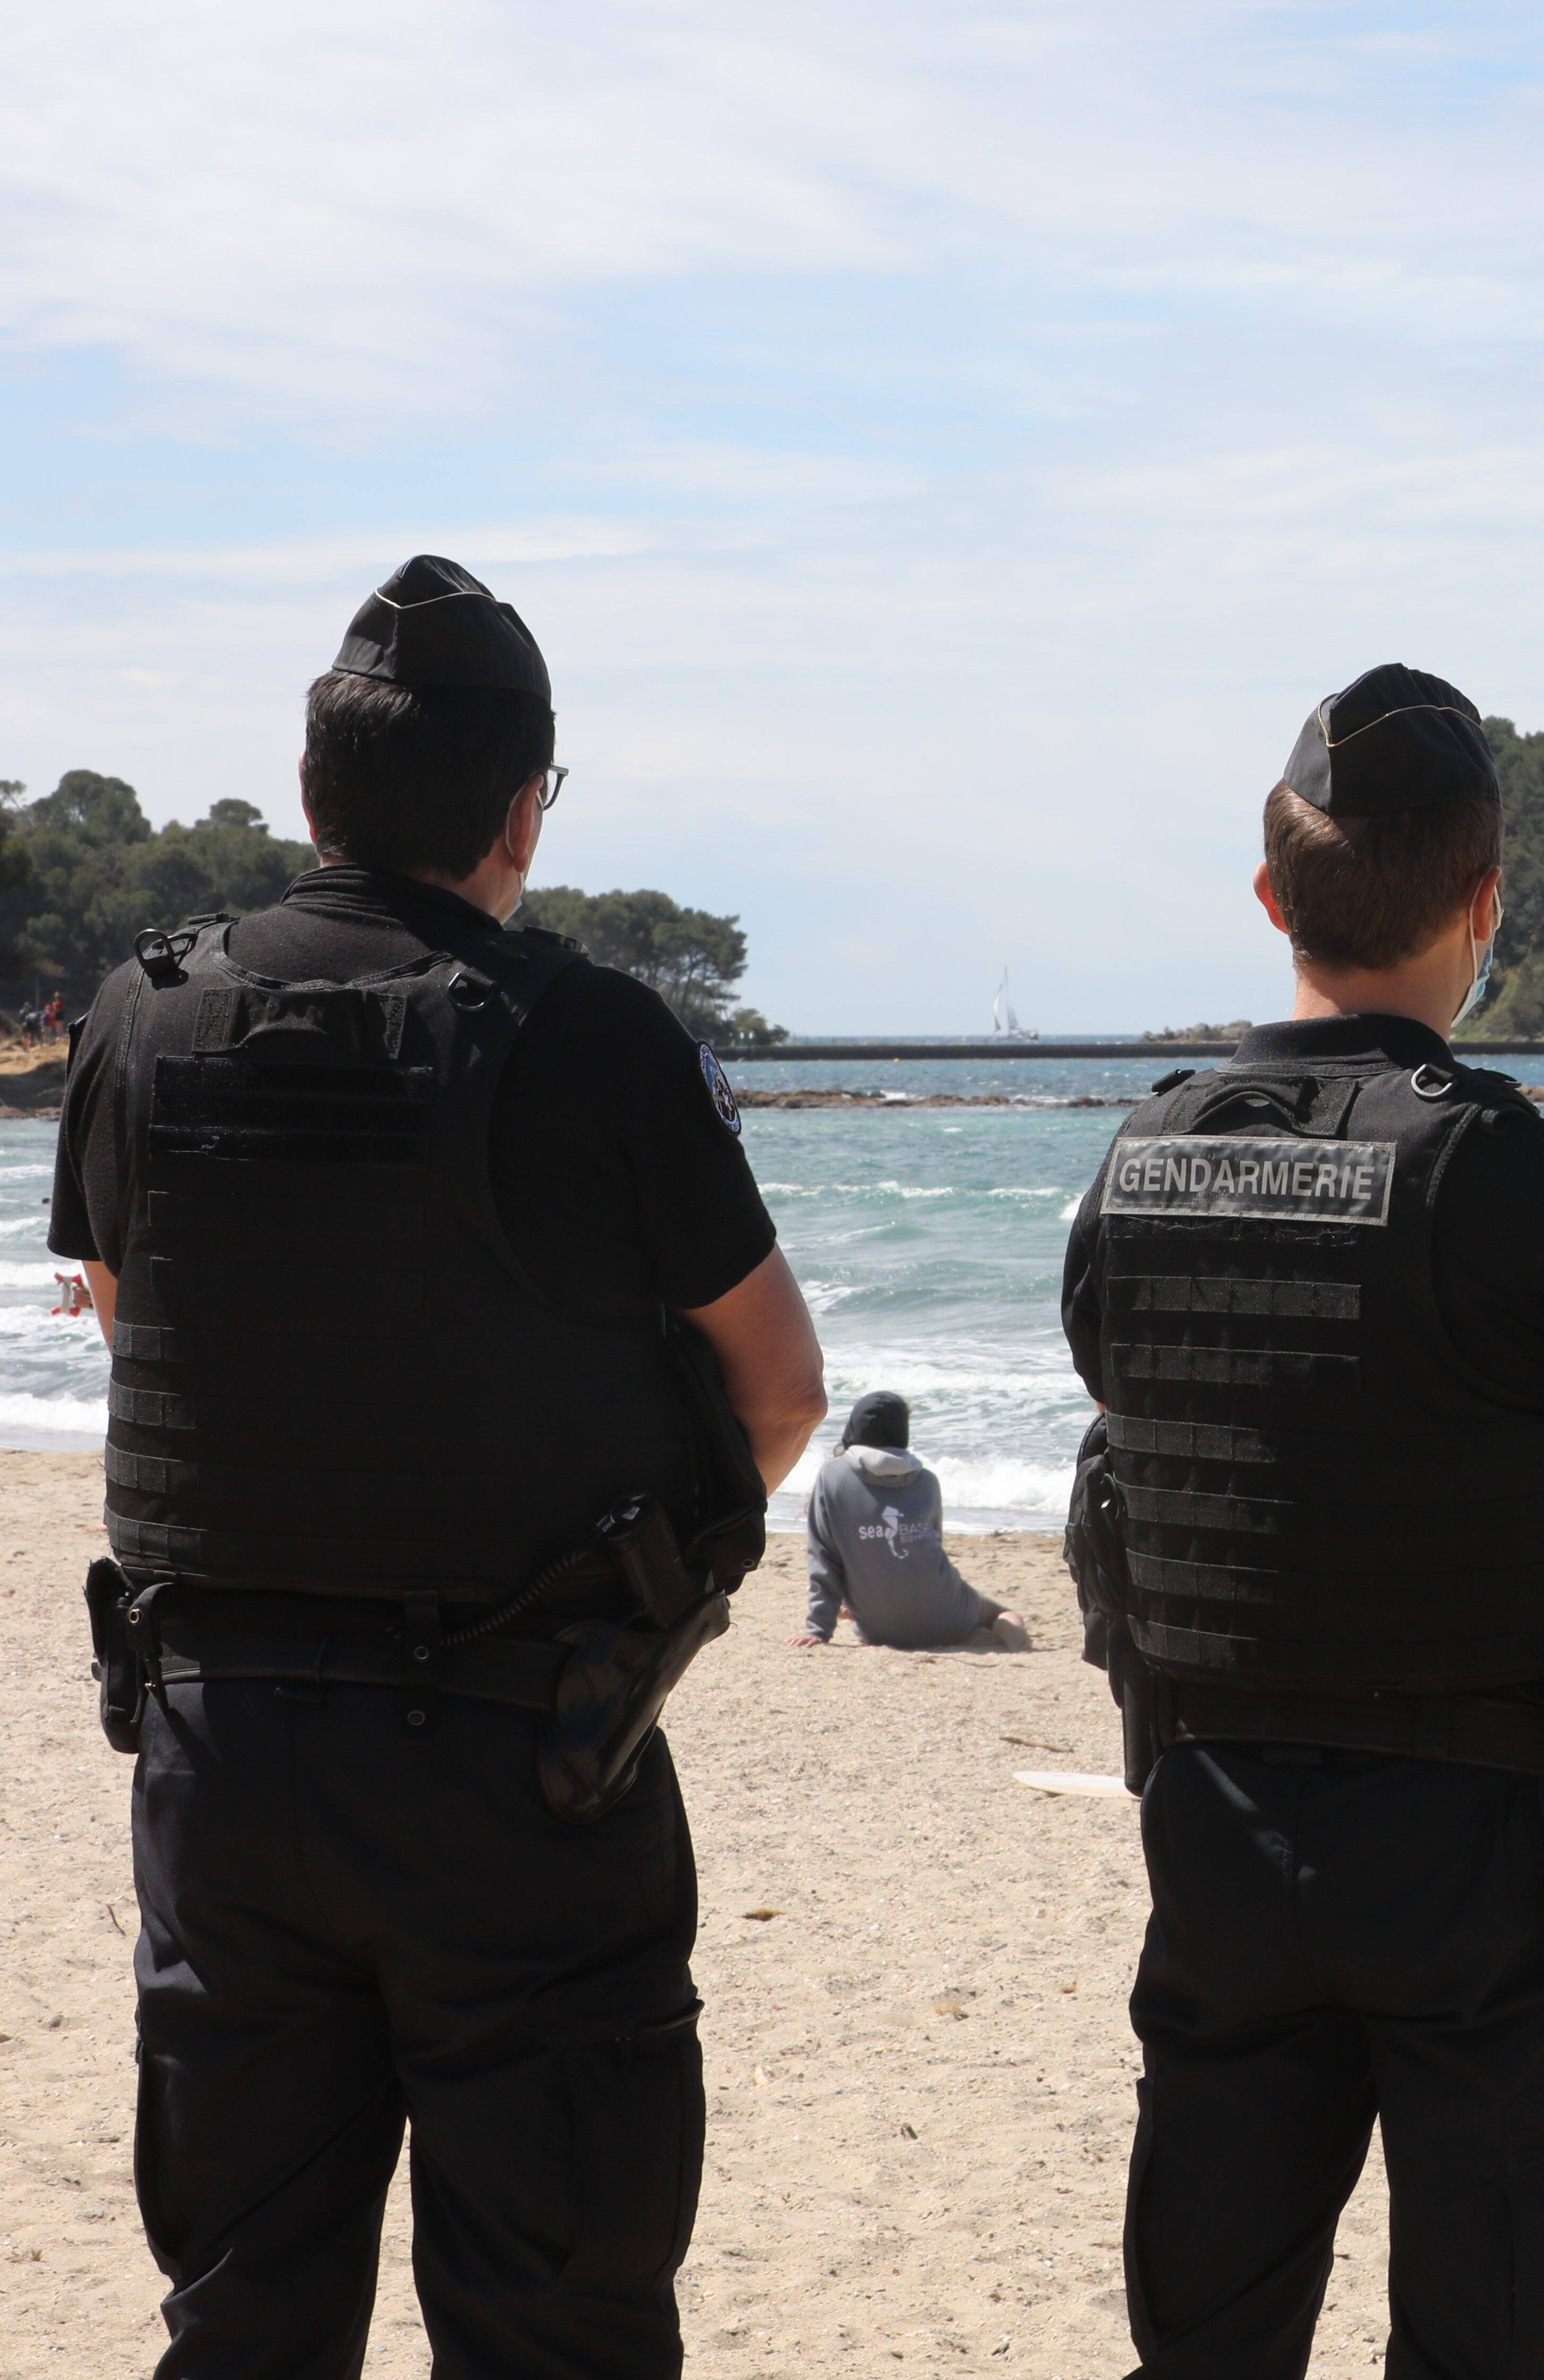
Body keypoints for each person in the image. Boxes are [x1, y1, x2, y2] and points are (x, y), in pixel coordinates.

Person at [51, 554, 828, 2378]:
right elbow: (779, 1392)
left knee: (243, 2314)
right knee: (554, 2321)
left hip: (222, 1753)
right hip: (521, 1759)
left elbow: (121, 1305)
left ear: (316, 797)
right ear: (522, 808)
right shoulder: (595, 1038)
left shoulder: (138, 1019)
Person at [1062, 662, 1544, 2380]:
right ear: (1486, 903)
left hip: (1220, 1836)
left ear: (1269, 900)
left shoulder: (1132, 1172)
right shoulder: (1542, 1189)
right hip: (1493, 1870)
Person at [796, 1389, 1030, 1651]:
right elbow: (929, 1549)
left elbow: (823, 1557)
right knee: (1001, 1614)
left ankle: (875, 1610)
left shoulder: (832, 1475)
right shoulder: (926, 1479)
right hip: (950, 1617)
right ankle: (1017, 1644)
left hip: (880, 1630)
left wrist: (819, 1629)